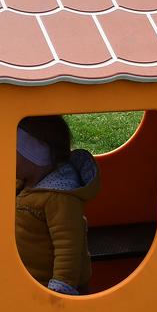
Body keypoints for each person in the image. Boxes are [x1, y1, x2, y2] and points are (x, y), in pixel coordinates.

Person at [15, 116, 99, 295]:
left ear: (34, 154)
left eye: (12, 151)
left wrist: (60, 289)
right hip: (27, 278)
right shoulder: (24, 181)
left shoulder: (59, 197)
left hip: (48, 286)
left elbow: (69, 247)